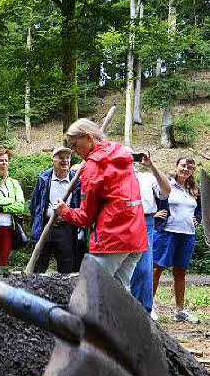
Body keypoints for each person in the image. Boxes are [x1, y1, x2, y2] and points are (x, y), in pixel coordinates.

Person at [55, 119, 146, 288]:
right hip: (135, 237)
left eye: (75, 145)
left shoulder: (93, 167)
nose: (75, 151)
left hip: (113, 239)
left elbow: (86, 217)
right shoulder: (119, 154)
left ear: (89, 138)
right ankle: (125, 315)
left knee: (91, 290)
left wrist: (64, 211)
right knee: (120, 292)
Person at [152, 157, 201, 323]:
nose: (186, 169)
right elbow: (153, 201)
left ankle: (180, 310)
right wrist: (154, 215)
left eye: (190, 167)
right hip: (167, 232)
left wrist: (198, 218)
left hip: (187, 234)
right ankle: (148, 306)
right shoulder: (167, 184)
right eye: (183, 165)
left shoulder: (193, 189)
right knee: (156, 268)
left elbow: (199, 209)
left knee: (180, 271)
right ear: (177, 166)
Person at [129, 151, 171, 319]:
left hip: (145, 221)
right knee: (120, 267)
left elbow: (166, 191)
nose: (130, 160)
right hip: (120, 221)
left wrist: (151, 166)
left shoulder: (147, 177)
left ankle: (144, 309)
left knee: (144, 267)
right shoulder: (113, 175)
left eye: (133, 157)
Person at [28, 147, 83, 274]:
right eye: (60, 158)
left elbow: (80, 204)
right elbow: (35, 205)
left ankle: (64, 292)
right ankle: (34, 290)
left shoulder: (76, 180)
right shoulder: (43, 178)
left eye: (67, 158)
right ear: (53, 160)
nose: (65, 161)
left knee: (67, 265)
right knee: (39, 263)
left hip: (67, 228)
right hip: (46, 226)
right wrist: (37, 222)